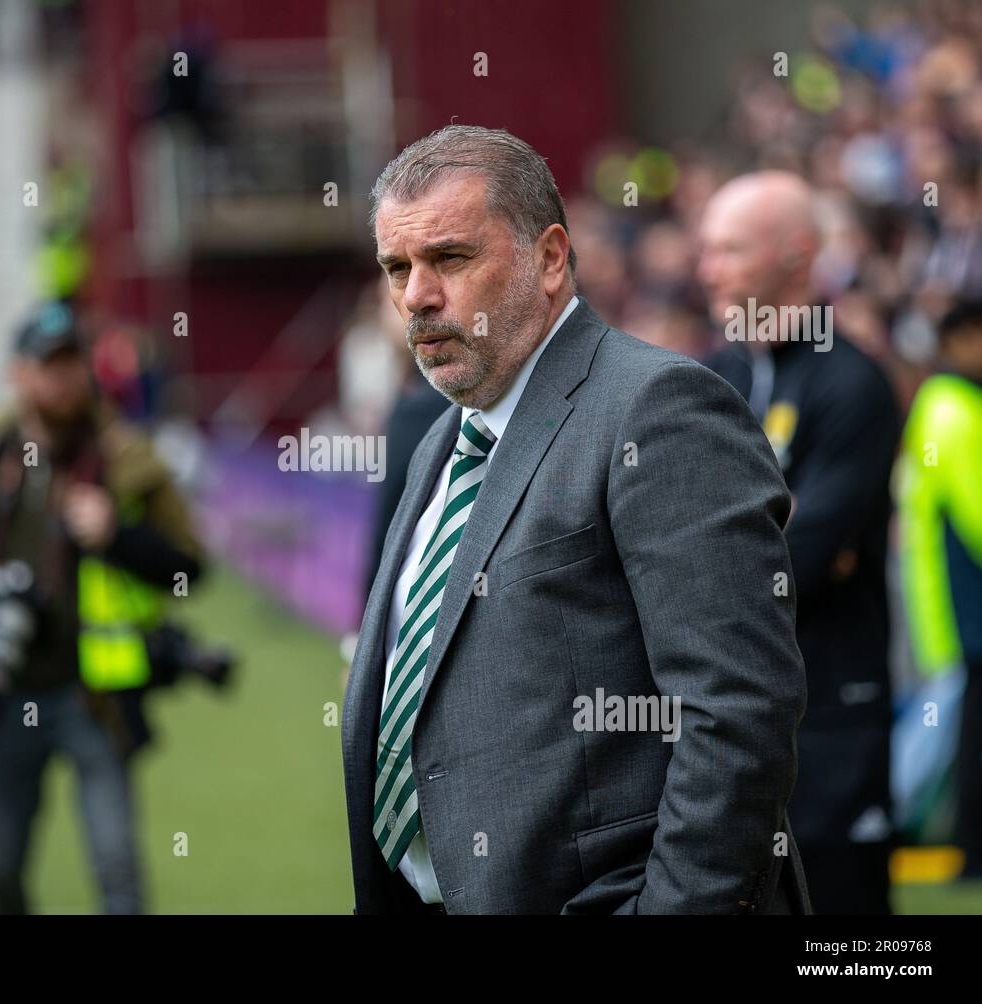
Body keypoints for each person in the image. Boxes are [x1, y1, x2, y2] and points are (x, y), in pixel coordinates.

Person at [342, 126, 810, 915]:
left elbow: (736, 711)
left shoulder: (658, 408)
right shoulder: (441, 442)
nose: (417, 294)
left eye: (451, 258)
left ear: (550, 259)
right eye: (398, 267)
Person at [0, 301, 208, 914]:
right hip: (4, 688)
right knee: (0, 871)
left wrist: (116, 535)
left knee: (117, 871)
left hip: (94, 697)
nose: (63, 378)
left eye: (72, 363)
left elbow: (189, 569)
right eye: (48, 365)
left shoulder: (127, 456)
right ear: (18, 374)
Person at [699, 172, 900, 914]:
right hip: (732, 715)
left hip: (833, 713)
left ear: (797, 255)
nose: (707, 267)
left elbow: (799, 560)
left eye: (730, 249)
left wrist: (704, 558)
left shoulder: (852, 384)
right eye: (706, 248)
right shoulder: (712, 377)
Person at [898, 298, 982, 876]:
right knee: (967, 733)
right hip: (964, 608)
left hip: (956, 607)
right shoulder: (951, 406)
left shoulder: (948, 401)